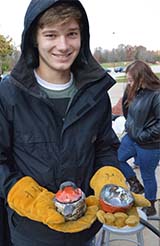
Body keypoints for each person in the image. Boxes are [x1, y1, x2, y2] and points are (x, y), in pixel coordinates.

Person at [0, 1, 121, 245]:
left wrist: (109, 180)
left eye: (72, 34)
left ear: (82, 36)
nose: (63, 45)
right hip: (30, 233)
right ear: (34, 38)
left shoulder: (96, 94)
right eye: (51, 35)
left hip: (85, 230)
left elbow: (105, 148)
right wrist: (27, 197)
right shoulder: (8, 94)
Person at [118, 60, 160, 216]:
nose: (129, 83)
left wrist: (143, 135)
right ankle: (134, 183)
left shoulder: (157, 94)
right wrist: (130, 126)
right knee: (117, 158)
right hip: (131, 137)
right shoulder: (133, 89)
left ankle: (150, 204)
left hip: (149, 144)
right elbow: (125, 108)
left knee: (147, 175)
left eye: (131, 79)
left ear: (142, 78)